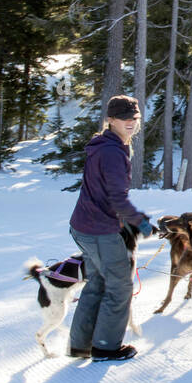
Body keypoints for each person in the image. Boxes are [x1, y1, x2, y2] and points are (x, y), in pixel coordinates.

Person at [68, 95, 155, 362]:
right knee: (119, 287)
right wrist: (139, 221)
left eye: (134, 118)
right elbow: (117, 198)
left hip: (83, 227)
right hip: (98, 231)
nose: (130, 123)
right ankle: (105, 347)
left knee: (97, 283)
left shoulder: (105, 145)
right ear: (111, 120)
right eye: (124, 118)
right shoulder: (112, 152)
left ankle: (80, 345)